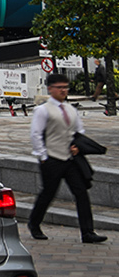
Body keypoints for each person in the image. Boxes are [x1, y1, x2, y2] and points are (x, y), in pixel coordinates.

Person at [29, 71, 106, 243]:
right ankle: (34, 224)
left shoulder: (71, 109)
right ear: (50, 89)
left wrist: (77, 146)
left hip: (70, 159)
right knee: (48, 193)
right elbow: (36, 134)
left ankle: (88, 232)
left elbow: (79, 131)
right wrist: (43, 156)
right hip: (52, 158)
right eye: (59, 87)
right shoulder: (42, 110)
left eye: (65, 87)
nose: (63, 90)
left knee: (81, 192)